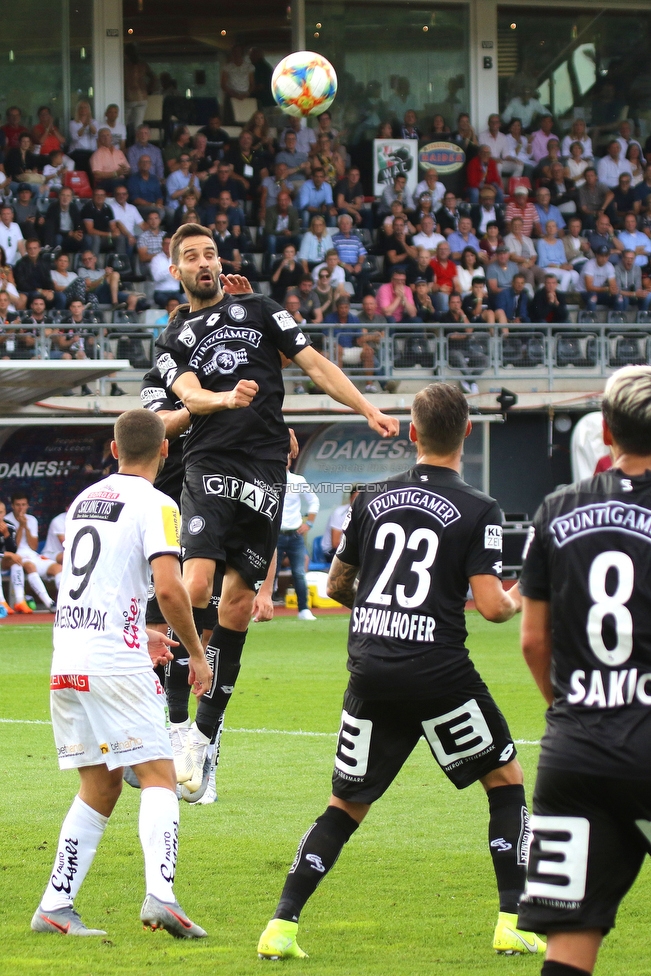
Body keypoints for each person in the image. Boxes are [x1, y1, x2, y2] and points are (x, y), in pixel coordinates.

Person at [256, 383, 545, 961]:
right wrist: (522, 591)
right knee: (505, 782)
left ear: (412, 433)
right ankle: (512, 920)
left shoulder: (369, 498)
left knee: (345, 805)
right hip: (438, 672)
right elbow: (491, 608)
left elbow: (336, 585)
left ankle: (281, 926)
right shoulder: (480, 508)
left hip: (370, 666)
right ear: (466, 433)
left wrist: (382, 610)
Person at [155, 223, 399, 793]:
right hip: (209, 463)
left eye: (211, 253)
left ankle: (205, 740)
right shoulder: (174, 338)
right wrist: (224, 399)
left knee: (238, 607)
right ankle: (171, 725)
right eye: (191, 257)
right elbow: (188, 395)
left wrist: (365, 406)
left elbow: (314, 364)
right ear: (177, 272)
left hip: (266, 471)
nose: (204, 262)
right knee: (193, 591)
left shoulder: (262, 310)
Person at [30, 409, 212, 939]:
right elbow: (171, 587)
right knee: (159, 775)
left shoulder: (85, 500)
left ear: (113, 450)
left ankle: (54, 906)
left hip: (69, 657)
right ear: (165, 452)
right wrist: (197, 653)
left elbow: (90, 583)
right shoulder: (159, 504)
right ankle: (163, 896)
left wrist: (140, 630)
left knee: (102, 784)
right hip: (112, 663)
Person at [517, 364, 651, 976]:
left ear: (609, 432)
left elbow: (533, 641)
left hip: (574, 752)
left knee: (569, 946)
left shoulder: (556, 508)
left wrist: (565, 709)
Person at [276, 458, 320, 621]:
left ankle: (304, 609)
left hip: (295, 534)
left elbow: (313, 500)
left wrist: (309, 523)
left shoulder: (298, 480)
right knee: (268, 574)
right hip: (275, 534)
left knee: (299, 573)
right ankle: (262, 607)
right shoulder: (269, 478)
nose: (284, 459)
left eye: (287, 456)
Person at [5, 491, 60, 610]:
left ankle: (64, 602)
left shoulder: (32, 520)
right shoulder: (6, 520)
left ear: (27, 506)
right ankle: (49, 603)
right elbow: (13, 547)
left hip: (32, 554)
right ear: (13, 506)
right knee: (30, 566)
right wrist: (20, 526)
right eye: (18, 505)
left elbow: (34, 546)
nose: (21, 508)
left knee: (58, 568)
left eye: (23, 505)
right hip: (16, 556)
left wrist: (26, 526)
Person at [535, 220, 580, 293]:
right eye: (549, 227)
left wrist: (567, 265)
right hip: (547, 268)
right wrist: (559, 267)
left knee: (575, 274)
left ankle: (571, 295)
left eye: (553, 226)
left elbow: (563, 259)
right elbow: (544, 261)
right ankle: (561, 295)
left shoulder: (559, 242)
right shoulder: (541, 242)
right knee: (566, 275)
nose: (551, 228)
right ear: (545, 229)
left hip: (560, 267)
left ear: (556, 229)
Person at [578, 244, 624, 311]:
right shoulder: (589, 265)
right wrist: (607, 289)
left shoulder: (609, 266)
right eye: (602, 255)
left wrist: (613, 290)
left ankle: (617, 319)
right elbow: (589, 288)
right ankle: (590, 318)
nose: (604, 258)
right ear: (597, 255)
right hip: (584, 292)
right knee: (593, 297)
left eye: (606, 256)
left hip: (599, 292)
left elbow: (613, 285)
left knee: (619, 297)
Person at [81, 187, 124, 257]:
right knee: (96, 238)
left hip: (105, 237)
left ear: (105, 197)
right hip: (89, 237)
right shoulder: (87, 208)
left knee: (120, 238)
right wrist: (109, 234)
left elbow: (113, 226)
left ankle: (120, 261)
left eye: (102, 195)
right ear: (93, 196)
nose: (99, 197)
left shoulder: (108, 208)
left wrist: (116, 232)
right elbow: (90, 230)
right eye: (97, 195)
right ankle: (94, 263)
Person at [321, 487, 360, 561]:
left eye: (362, 499)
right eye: (356, 498)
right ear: (350, 499)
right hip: (332, 551)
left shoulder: (366, 513)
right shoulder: (339, 513)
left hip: (350, 549)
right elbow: (335, 544)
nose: (359, 501)